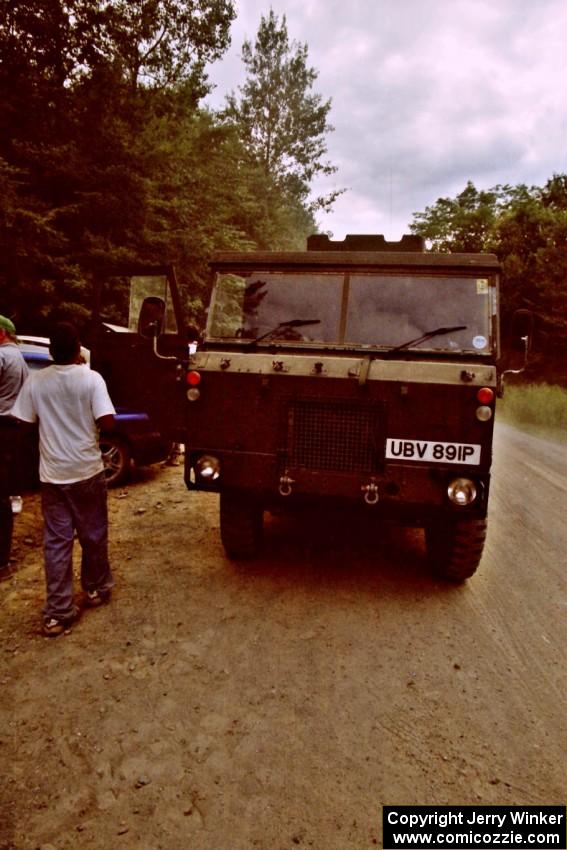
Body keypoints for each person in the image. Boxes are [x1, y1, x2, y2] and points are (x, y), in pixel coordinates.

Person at [11, 322, 116, 636]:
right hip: (86, 470)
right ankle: (95, 588)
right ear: (78, 348)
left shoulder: (37, 381)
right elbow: (108, 422)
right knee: (93, 533)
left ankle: (58, 612)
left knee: (56, 543)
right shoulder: (91, 379)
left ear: (50, 351)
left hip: (52, 475)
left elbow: (22, 422)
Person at [0, 315, 29, 570]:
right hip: (12, 427)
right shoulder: (20, 358)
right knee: (3, 494)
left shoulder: (2, 357)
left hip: (1, 426)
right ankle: (3, 556)